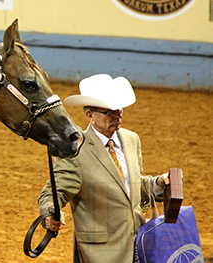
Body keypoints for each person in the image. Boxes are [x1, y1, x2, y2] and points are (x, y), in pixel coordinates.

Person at [38, 74, 170, 263]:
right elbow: (52, 193)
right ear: (90, 115)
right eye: (109, 111)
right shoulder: (75, 151)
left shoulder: (131, 140)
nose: (117, 115)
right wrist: (50, 214)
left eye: (119, 109)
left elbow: (128, 187)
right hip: (100, 255)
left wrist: (157, 183)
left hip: (138, 249)